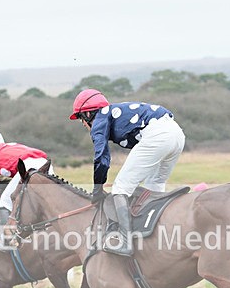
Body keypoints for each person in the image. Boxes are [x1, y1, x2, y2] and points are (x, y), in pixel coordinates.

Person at [70, 89, 185, 255]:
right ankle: (155, 235)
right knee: (154, 186)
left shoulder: (100, 118)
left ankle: (125, 242)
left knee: (120, 188)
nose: (82, 123)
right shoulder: (114, 112)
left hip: (158, 134)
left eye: (81, 118)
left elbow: (101, 158)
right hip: (177, 134)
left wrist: (97, 189)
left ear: (88, 114)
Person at [0, 124, 51, 245]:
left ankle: (6, 240)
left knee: (4, 202)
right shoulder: (12, 146)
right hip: (46, 164)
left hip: (28, 166)